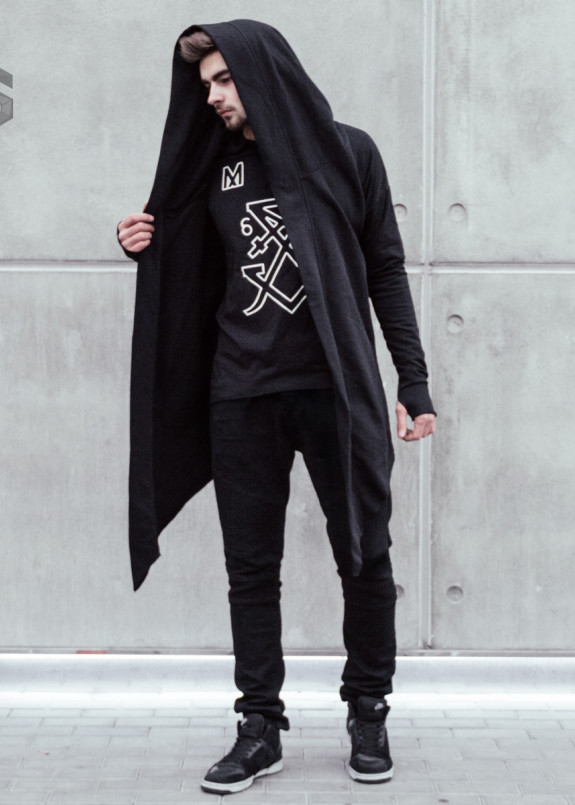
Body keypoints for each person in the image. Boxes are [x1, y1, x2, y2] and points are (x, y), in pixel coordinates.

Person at [117, 19, 436, 796]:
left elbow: (385, 270)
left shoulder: (347, 151)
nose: (214, 98)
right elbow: (183, 261)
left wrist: (413, 381)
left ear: (263, 71)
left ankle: (367, 709)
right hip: (241, 391)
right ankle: (258, 725)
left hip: (333, 389)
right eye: (205, 86)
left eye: (225, 80)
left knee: (363, 551)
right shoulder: (213, 164)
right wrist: (140, 244)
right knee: (249, 568)